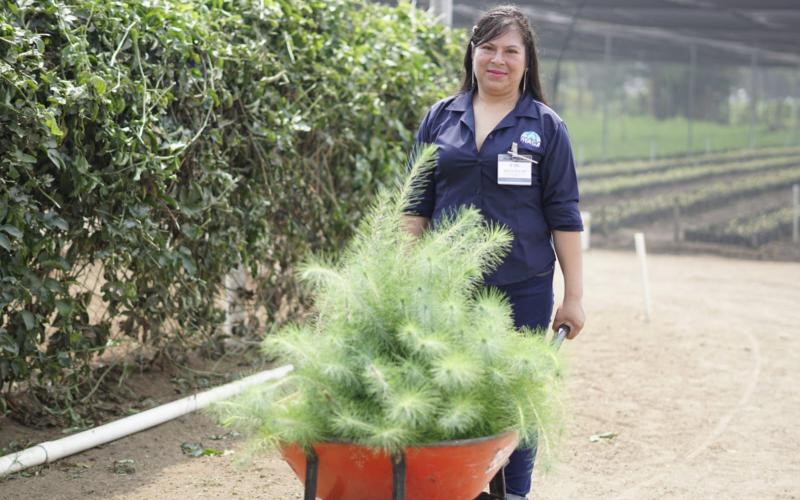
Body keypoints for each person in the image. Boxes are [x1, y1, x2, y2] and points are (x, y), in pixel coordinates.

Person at [402, 6, 586, 499]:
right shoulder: (441, 117)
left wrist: (574, 296)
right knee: (449, 392)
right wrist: (402, 274)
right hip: (448, 290)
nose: (497, 60)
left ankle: (514, 493)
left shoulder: (546, 128)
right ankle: (459, 489)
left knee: (514, 397)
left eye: (510, 51)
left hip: (521, 289)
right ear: (472, 53)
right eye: (488, 48)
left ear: (527, 63)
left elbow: (564, 215)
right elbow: (416, 202)